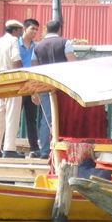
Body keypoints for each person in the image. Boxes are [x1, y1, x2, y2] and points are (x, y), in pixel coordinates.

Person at [31, 18, 78, 155]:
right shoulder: (65, 42)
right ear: (59, 29)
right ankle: (63, 150)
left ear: (46, 29)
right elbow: (72, 61)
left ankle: (45, 150)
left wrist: (35, 91)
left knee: (47, 118)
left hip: (45, 85)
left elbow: (35, 68)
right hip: (63, 86)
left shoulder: (37, 47)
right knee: (64, 116)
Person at [0, 19, 24, 157]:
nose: (21, 33)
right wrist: (23, 73)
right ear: (15, 30)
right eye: (20, 30)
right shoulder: (13, 41)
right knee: (12, 115)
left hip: (0, 78)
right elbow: (16, 59)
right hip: (12, 79)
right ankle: (9, 149)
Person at [18, 18, 44, 157]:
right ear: (24, 28)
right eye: (32, 28)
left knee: (31, 118)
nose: (34, 32)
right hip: (17, 85)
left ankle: (34, 147)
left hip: (31, 85)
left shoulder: (36, 47)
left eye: (36, 29)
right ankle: (5, 145)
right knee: (13, 118)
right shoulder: (16, 44)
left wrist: (36, 90)